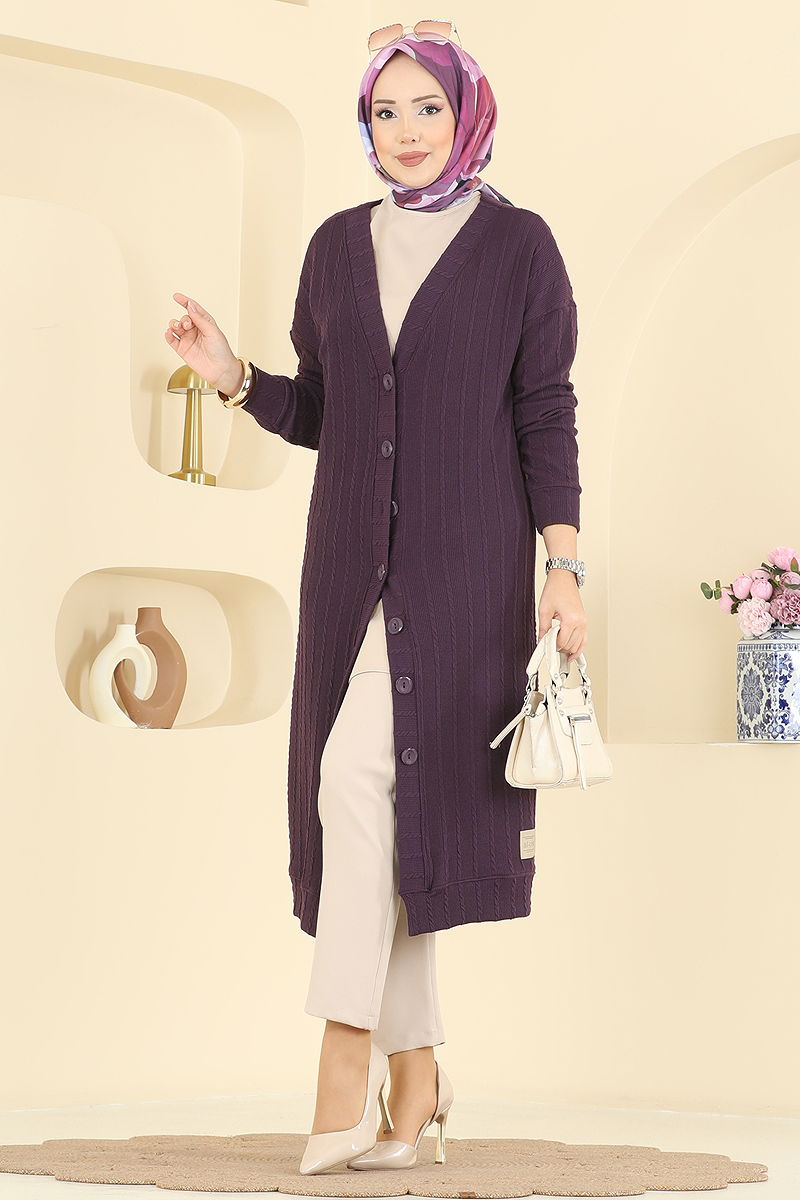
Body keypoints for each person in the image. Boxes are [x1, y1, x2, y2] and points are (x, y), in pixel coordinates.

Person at [164, 21, 588, 1177]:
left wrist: (562, 565)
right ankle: (419, 1077)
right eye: (383, 112)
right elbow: (328, 412)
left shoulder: (518, 248)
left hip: (463, 582)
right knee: (363, 805)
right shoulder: (334, 248)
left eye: (425, 109)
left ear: (466, 113)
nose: (404, 132)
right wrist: (232, 377)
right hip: (348, 573)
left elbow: (543, 411)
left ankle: (342, 1069)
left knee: (373, 797)